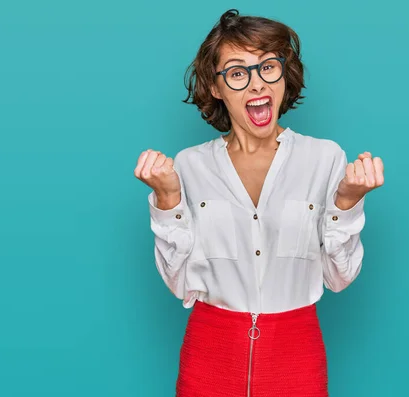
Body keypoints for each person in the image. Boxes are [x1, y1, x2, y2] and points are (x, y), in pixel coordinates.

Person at [134, 9, 384, 397]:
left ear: (284, 74)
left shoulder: (325, 159)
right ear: (216, 87)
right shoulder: (189, 165)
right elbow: (179, 283)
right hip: (208, 355)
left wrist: (347, 202)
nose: (256, 85)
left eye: (268, 66)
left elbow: (340, 277)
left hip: (296, 356)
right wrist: (167, 199)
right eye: (237, 72)